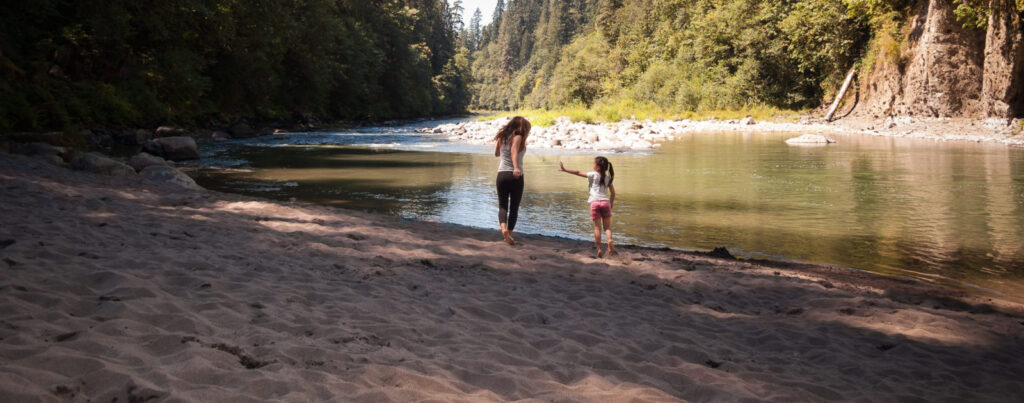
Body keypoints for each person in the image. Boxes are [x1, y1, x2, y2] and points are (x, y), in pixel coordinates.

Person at [559, 157, 616, 257]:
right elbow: (613, 193)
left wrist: (565, 170)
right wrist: (610, 204)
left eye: (593, 163)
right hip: (605, 203)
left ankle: (599, 249)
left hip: (594, 203)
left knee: (597, 228)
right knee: (607, 227)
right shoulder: (608, 178)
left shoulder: (592, 175)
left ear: (597, 167)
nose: (592, 165)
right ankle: (610, 240)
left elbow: (578, 172)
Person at [494, 116, 530, 245]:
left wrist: (502, 145)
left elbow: (497, 154)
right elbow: (513, 152)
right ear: (522, 127)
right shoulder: (518, 136)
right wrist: (516, 167)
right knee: (514, 207)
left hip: (501, 174)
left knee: (503, 206)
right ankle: (508, 234)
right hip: (515, 175)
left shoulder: (502, 137)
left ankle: (503, 230)